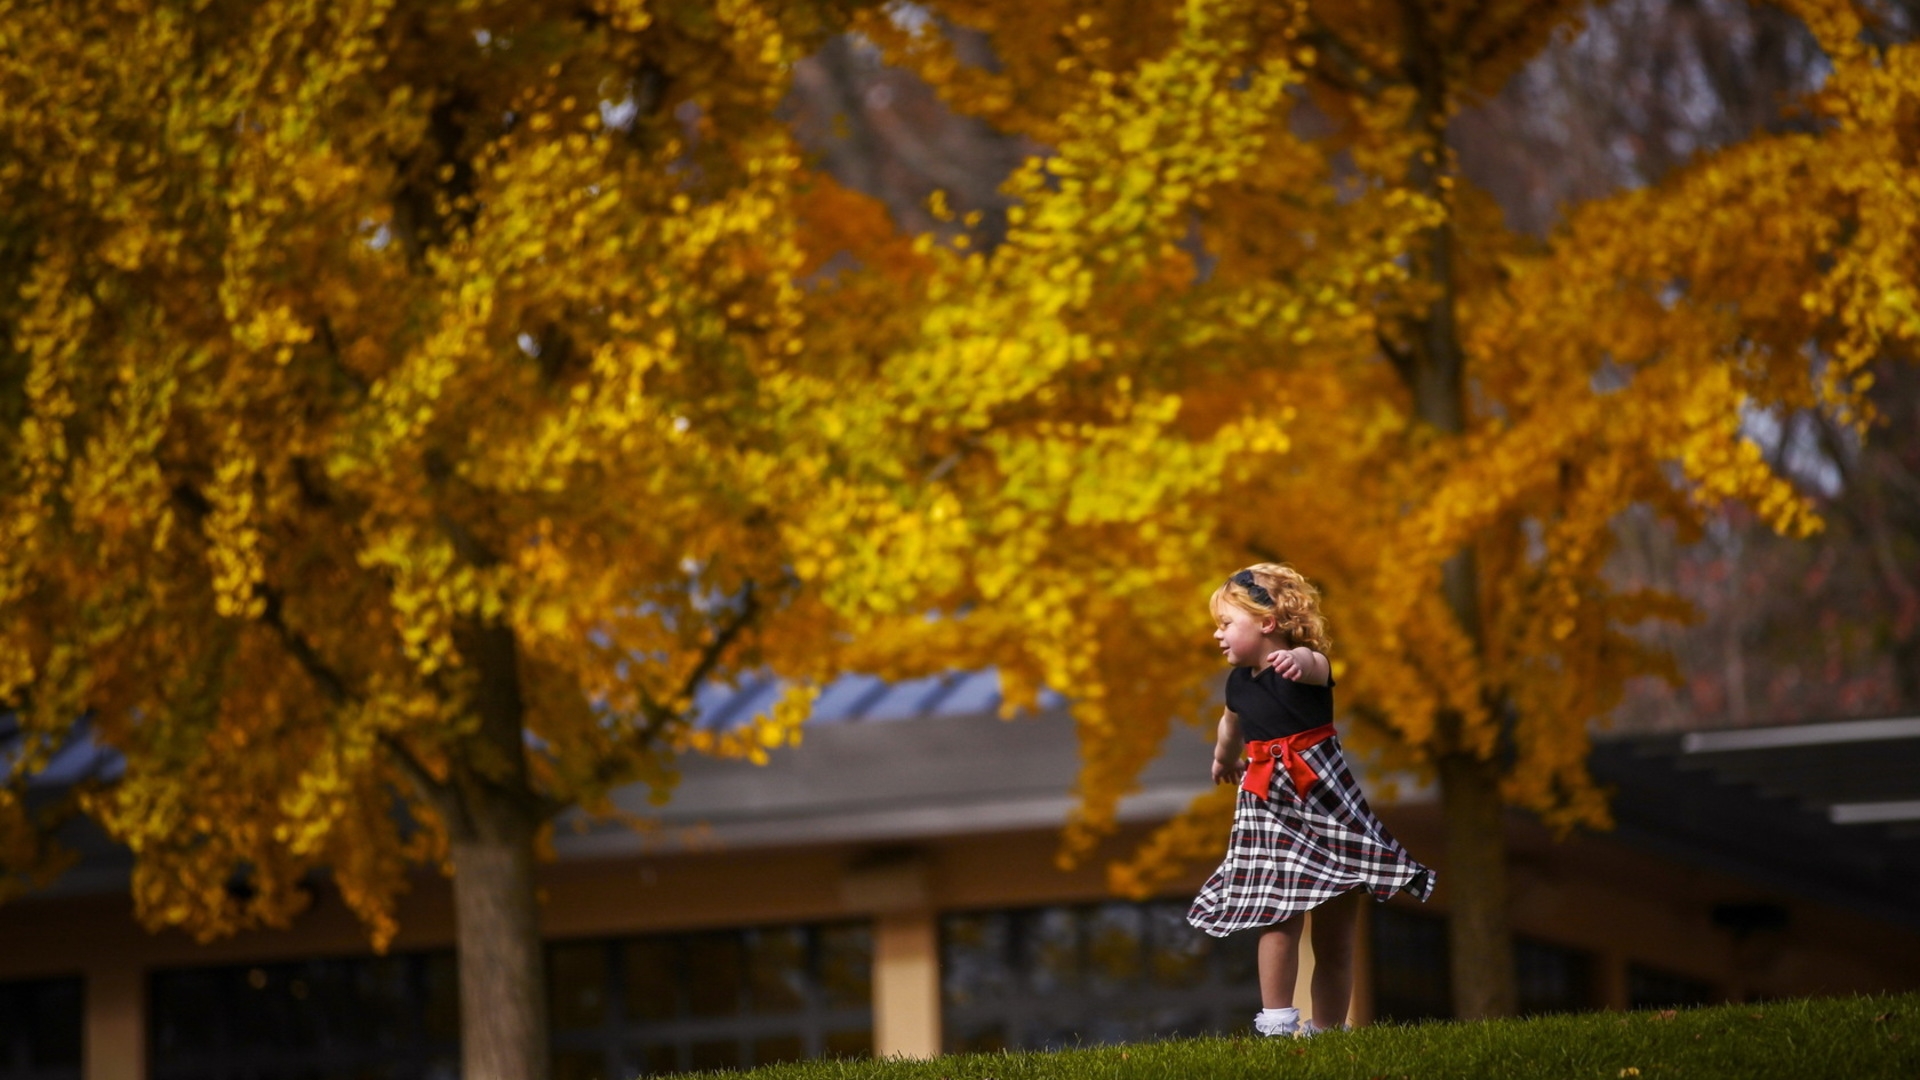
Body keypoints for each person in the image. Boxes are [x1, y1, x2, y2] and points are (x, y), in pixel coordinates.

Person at [1188, 563, 1435, 1038]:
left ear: (1266, 623)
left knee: (1336, 931)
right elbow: (1230, 724)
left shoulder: (1307, 664)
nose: (1217, 635)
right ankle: (1278, 1022)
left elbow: (1317, 669)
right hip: (1269, 806)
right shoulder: (1238, 682)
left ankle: (1328, 1028)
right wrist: (1223, 760)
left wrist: (1298, 662)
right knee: (1276, 913)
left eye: (1225, 624)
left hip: (1322, 804)